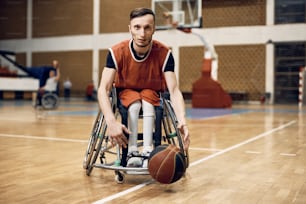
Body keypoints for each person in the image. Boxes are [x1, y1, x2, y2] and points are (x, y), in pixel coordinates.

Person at [97, 8, 189, 167]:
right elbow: (103, 90)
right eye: (137, 27)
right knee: (134, 103)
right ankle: (132, 151)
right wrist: (111, 121)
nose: (142, 33)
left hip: (151, 94)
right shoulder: (117, 52)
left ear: (154, 29)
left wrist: (182, 120)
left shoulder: (164, 53)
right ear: (130, 29)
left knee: (147, 101)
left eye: (147, 27)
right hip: (125, 93)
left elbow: (174, 91)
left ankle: (148, 151)